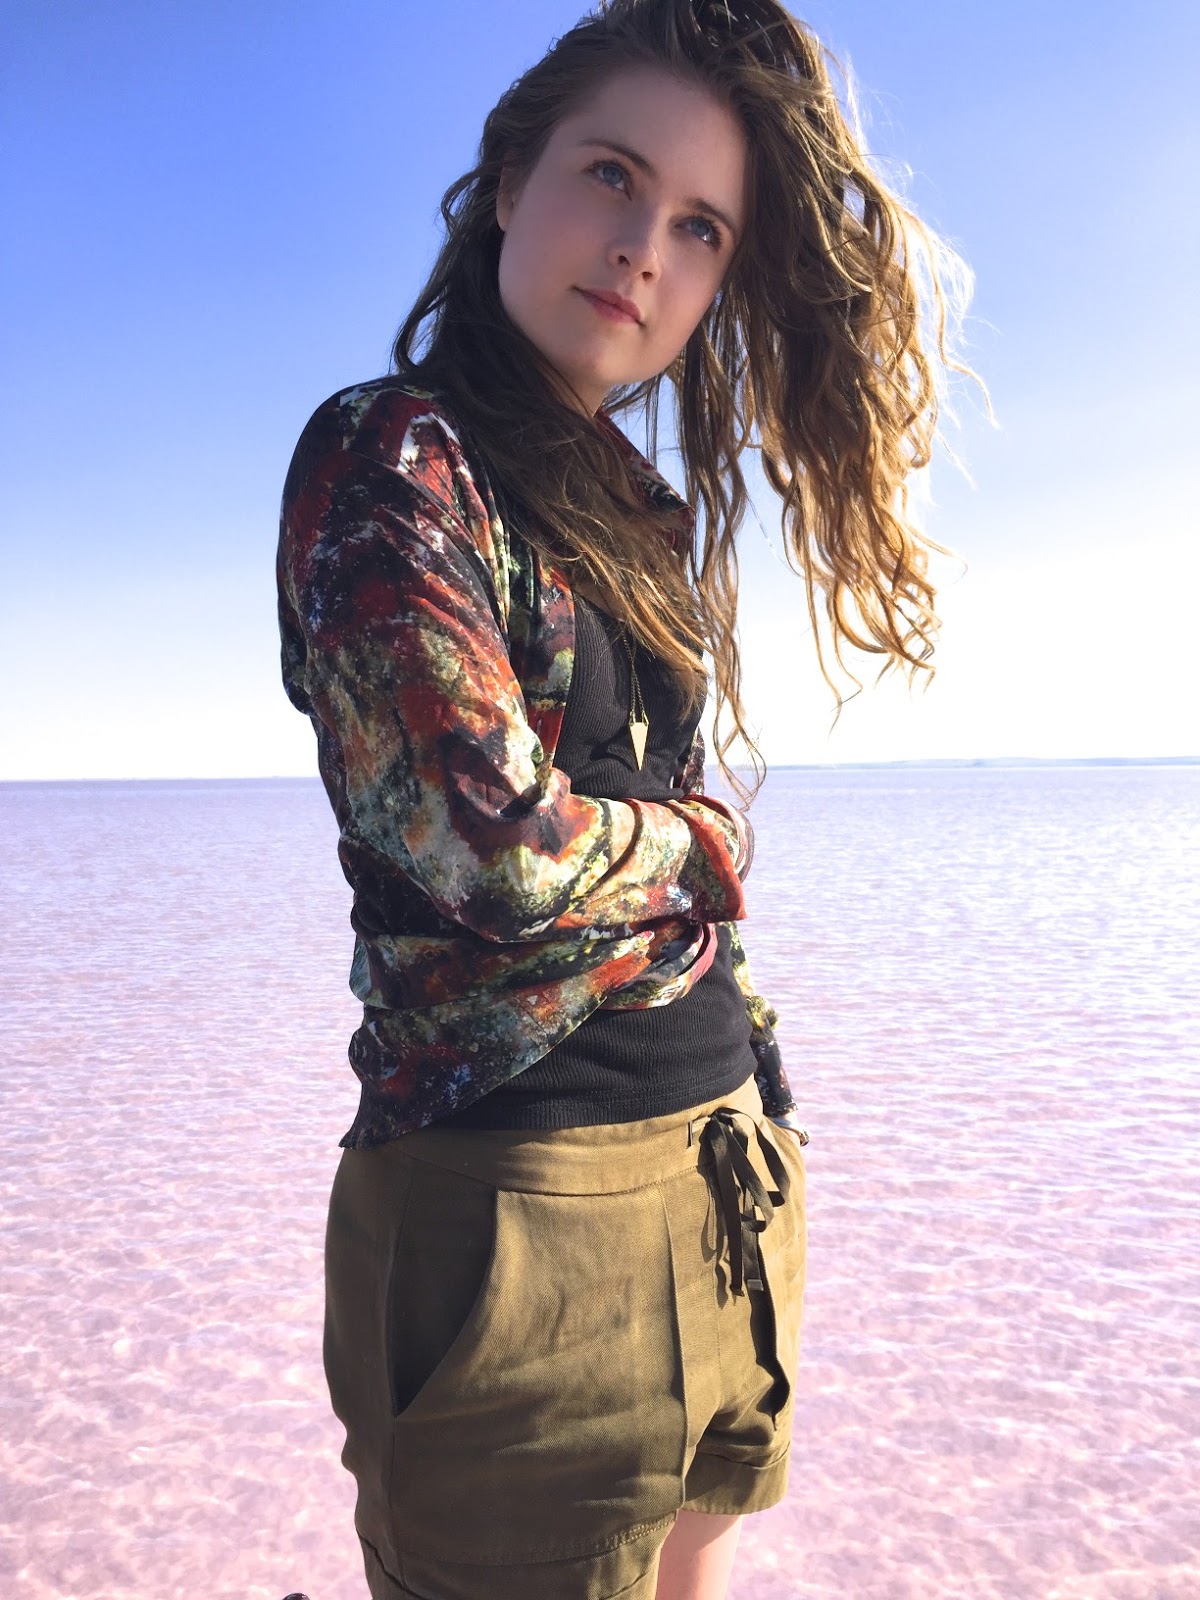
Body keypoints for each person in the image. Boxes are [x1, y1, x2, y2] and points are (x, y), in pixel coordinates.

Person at [276, 1, 982, 1595]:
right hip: (519, 1213)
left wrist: (769, 1096)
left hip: (724, 1171)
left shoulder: (632, 513)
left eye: (698, 227)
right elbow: (484, 850)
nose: (642, 250)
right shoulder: (394, 456)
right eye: (611, 175)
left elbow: (623, 823)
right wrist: (706, 845)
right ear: (509, 178)